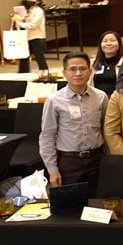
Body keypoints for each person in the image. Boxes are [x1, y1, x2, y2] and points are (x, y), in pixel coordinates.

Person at [39, 52, 108, 191]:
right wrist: (52, 170)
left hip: (97, 159)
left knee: (98, 204)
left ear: (90, 72)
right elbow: (47, 136)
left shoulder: (101, 97)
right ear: (64, 72)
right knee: (71, 206)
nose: (78, 73)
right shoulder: (54, 100)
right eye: (72, 69)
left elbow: (106, 130)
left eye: (83, 69)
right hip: (69, 161)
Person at [12, 0, 48, 78]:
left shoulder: (39, 11)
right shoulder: (27, 10)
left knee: (39, 57)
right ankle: (23, 74)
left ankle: (44, 74)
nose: (30, 1)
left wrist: (20, 24)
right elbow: (22, 20)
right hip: (27, 37)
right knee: (24, 56)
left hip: (37, 37)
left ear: (38, 1)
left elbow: (33, 25)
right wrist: (17, 18)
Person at [91, 30, 123, 97]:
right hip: (96, 99)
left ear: (119, 44)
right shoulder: (92, 63)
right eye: (105, 41)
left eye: (112, 40)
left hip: (116, 100)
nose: (108, 43)